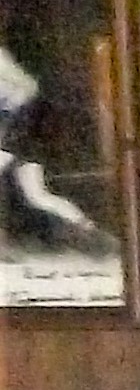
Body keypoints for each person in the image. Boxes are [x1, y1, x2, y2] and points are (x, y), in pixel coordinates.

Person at [0, 35, 107, 246]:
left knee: (34, 192)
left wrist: (15, 123)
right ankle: (87, 227)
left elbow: (26, 90)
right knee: (36, 194)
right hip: (24, 128)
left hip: (22, 126)